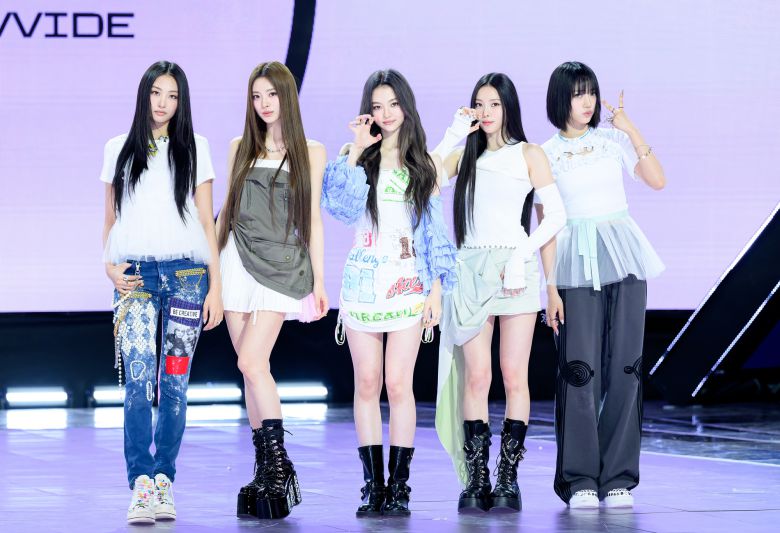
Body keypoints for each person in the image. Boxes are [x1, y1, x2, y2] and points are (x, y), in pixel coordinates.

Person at [321, 69, 457, 517]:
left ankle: (399, 487)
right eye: (377, 106)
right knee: (367, 383)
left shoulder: (424, 165)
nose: (386, 113)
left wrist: (436, 289)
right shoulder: (354, 157)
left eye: (393, 104)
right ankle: (372, 486)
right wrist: (357, 150)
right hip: (363, 286)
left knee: (398, 384)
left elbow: (434, 232)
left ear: (406, 106)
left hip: (408, 285)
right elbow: (340, 210)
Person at [433, 73, 566, 513]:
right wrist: (453, 133)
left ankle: (508, 478)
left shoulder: (529, 153)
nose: (486, 112)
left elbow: (556, 216)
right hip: (471, 268)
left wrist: (521, 255)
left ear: (508, 106)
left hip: (516, 270)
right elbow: (423, 178)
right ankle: (477, 478)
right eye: (479, 104)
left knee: (513, 375)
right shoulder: (463, 156)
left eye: (494, 103)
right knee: (476, 377)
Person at [101, 60, 223, 525]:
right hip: (134, 276)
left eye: (172, 95)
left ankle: (164, 480)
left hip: (188, 276)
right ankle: (140, 484)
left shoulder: (196, 147)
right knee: (137, 381)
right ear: (144, 94)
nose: (163, 103)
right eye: (157, 93)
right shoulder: (118, 147)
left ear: (181, 101)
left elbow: (207, 220)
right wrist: (108, 267)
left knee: (173, 383)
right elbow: (110, 217)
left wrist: (216, 287)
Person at [540, 61, 665, 509]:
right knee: (580, 372)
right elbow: (547, 224)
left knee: (627, 368)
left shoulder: (613, 141)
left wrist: (629, 128)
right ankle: (579, 481)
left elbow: (657, 180)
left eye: (591, 91)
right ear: (560, 99)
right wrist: (550, 288)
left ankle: (618, 478)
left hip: (624, 258)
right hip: (575, 264)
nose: (587, 101)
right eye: (577, 93)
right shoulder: (545, 153)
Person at [216, 61, 328, 519]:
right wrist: (212, 275)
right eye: (256, 96)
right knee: (250, 371)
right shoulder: (239, 147)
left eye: (271, 95)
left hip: (282, 266)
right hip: (236, 261)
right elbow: (226, 210)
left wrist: (320, 280)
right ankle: (265, 470)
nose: (263, 104)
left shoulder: (311, 151)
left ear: (287, 96)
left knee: (251, 361)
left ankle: (280, 468)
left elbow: (312, 219)